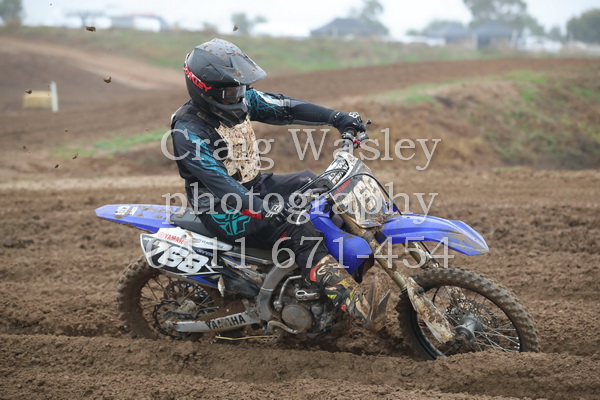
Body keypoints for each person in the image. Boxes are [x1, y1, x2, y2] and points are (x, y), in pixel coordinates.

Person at [170, 38, 389, 331]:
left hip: (254, 186)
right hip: (224, 210)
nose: (240, 96)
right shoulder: (189, 131)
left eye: (241, 88)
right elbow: (220, 184)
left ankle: (325, 270)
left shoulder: (240, 100)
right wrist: (261, 207)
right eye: (231, 91)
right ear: (203, 89)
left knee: (316, 185)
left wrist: (337, 118)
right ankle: (352, 301)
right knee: (297, 224)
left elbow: (286, 108)